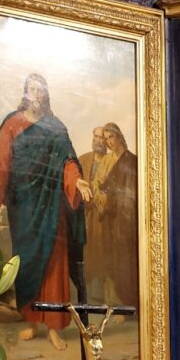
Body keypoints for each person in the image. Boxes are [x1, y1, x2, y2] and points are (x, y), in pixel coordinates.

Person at [0, 73, 92, 350]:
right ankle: (32, 321)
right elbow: (0, 159)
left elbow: (68, 161)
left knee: (54, 265)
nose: (36, 95)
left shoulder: (56, 127)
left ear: (45, 95)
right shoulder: (12, 123)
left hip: (51, 206)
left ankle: (53, 327)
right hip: (23, 206)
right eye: (32, 89)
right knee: (26, 263)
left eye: (40, 90)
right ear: (25, 93)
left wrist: (76, 181)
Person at [99, 122, 138, 308]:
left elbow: (129, 197)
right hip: (113, 221)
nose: (109, 142)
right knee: (115, 264)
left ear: (119, 136)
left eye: (111, 137)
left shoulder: (130, 161)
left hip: (125, 221)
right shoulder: (112, 161)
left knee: (126, 264)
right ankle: (121, 304)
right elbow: (105, 188)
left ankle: (128, 305)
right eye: (106, 138)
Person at [78, 127, 115, 303]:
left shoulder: (111, 162)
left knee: (101, 252)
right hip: (84, 214)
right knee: (85, 252)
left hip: (103, 216)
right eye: (96, 137)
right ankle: (85, 294)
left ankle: (101, 296)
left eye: (102, 138)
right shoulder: (83, 160)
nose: (98, 140)